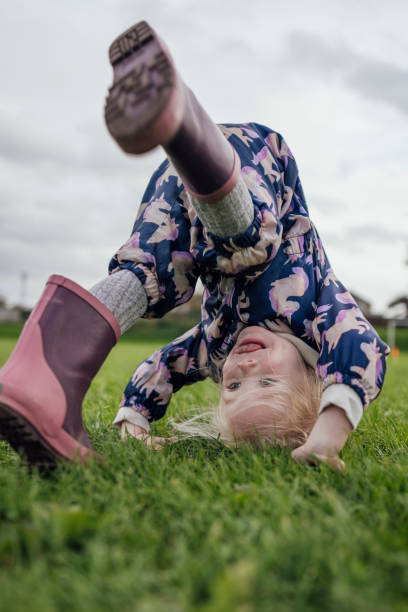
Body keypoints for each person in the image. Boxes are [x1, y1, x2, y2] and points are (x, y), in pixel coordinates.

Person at [0, 21, 389, 471]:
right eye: (267, 382)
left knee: (156, 272)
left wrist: (134, 423)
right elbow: (361, 346)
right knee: (247, 244)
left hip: (185, 183)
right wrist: (328, 435)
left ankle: (42, 374)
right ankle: (183, 119)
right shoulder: (317, 320)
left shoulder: (216, 346)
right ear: (313, 372)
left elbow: (163, 367)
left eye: (233, 390)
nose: (244, 372)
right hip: (258, 169)